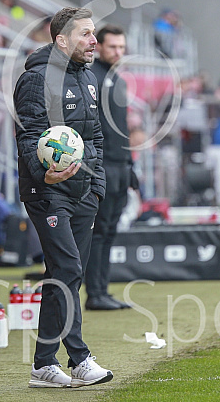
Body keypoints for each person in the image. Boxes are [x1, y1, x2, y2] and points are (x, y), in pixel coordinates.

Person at [13, 7, 113, 388]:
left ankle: (42, 363)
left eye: (94, 34)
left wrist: (97, 186)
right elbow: (28, 137)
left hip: (84, 193)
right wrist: (45, 174)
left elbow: (96, 138)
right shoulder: (36, 80)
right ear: (61, 39)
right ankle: (80, 358)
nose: (93, 41)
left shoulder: (88, 78)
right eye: (86, 34)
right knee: (69, 270)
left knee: (63, 274)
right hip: (48, 193)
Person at [84, 24, 135, 311]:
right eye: (113, 46)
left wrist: (130, 165)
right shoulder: (91, 77)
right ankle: (95, 293)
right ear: (99, 46)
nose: (118, 52)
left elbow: (121, 129)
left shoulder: (119, 80)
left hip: (120, 166)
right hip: (101, 166)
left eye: (121, 47)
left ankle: (103, 290)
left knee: (111, 230)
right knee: (99, 231)